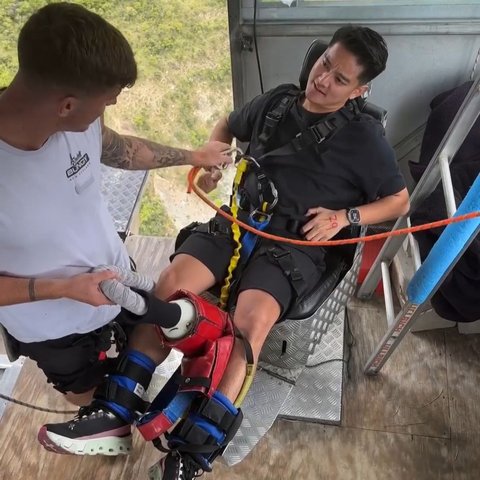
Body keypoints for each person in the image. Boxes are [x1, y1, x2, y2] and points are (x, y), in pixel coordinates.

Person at [41, 24, 410, 479]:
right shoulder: (277, 102)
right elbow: (229, 125)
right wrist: (214, 156)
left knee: (248, 326)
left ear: (359, 90)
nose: (323, 79)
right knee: (167, 289)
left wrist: (343, 218)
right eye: (324, 64)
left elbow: (398, 200)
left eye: (340, 79)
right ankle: (114, 412)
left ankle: (192, 453)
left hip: (292, 247)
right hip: (236, 222)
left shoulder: (364, 138)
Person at [0, 0, 232, 443]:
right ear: (66, 105)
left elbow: (115, 147)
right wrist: (62, 288)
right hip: (54, 326)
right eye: (108, 99)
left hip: (115, 275)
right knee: (89, 391)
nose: (113, 104)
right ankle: (104, 421)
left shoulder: (74, 121)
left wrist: (193, 156)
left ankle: (125, 401)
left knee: (136, 354)